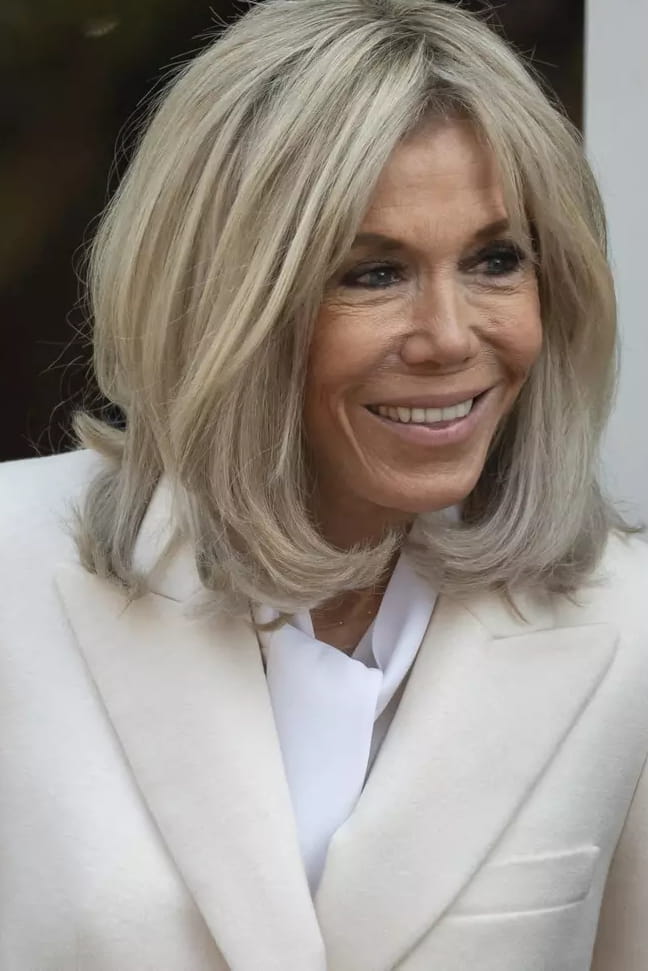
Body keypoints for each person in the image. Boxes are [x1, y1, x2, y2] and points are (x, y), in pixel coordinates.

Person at [1, 0, 647, 967]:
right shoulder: (12, 571)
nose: (450, 337)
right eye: (373, 273)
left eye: (495, 260)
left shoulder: (627, 621)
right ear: (221, 298)